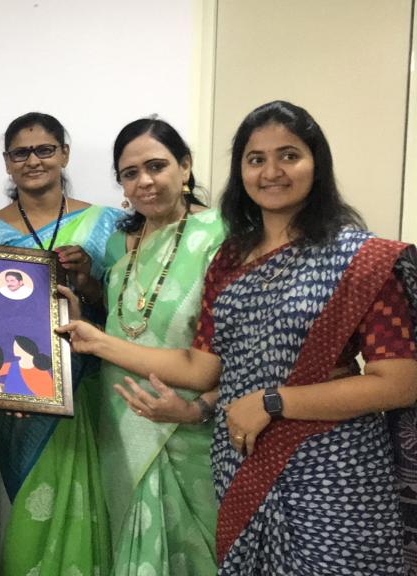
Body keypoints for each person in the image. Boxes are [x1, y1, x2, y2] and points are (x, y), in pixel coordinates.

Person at [63, 100, 417, 574]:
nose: (271, 172)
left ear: (317, 163)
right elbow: (200, 368)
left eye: (289, 155)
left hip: (333, 469)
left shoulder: (363, 260)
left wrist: (274, 401)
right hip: (241, 460)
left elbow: (400, 383)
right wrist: (95, 340)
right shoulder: (229, 261)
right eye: (256, 159)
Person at [0, 112, 122, 576]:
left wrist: (87, 278)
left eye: (44, 150)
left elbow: (122, 311)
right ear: (7, 162)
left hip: (87, 386)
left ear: (64, 154)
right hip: (19, 392)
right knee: (25, 513)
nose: (33, 161)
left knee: (88, 499)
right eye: (21, 153)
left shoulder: (105, 222)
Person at [96, 117, 224, 575]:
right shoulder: (118, 245)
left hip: (193, 427)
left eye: (156, 166)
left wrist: (198, 409)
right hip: (122, 421)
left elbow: (244, 350)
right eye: (130, 173)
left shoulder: (222, 234)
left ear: (184, 166)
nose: (144, 181)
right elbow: (124, 322)